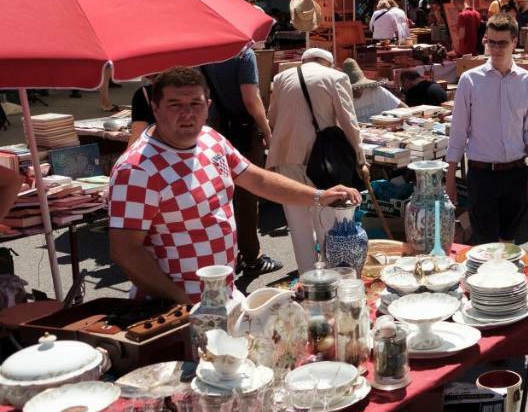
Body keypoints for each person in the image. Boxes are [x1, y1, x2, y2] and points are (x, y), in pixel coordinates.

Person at [108, 67, 359, 302]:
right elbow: (126, 250)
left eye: (195, 104)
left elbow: (257, 179)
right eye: (175, 105)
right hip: (172, 305)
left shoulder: (210, 139)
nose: (187, 113)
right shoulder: (137, 169)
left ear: (207, 106)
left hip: (222, 294)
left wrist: (318, 195)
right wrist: (181, 303)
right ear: (155, 108)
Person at [266, 48, 367, 271]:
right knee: (327, 221)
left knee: (298, 225)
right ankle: (333, 276)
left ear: (303, 61)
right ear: (328, 63)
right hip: (323, 159)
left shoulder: (281, 78)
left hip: (285, 157)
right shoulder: (336, 77)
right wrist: (360, 159)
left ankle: (308, 280)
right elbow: (348, 121)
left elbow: (272, 117)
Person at [445, 16, 528, 244]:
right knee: (487, 245)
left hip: (516, 173)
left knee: (509, 243)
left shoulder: (526, 80)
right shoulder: (470, 80)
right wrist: (450, 178)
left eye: (503, 43)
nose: (496, 49)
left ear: (515, 42)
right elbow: (458, 133)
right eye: (492, 42)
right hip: (482, 176)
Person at [201, 48, 280, 275]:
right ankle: (251, 257)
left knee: (218, 193)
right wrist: (266, 129)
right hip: (242, 130)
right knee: (247, 192)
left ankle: (223, 257)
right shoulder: (244, 54)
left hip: (212, 127)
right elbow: (250, 98)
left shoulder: (203, 54)